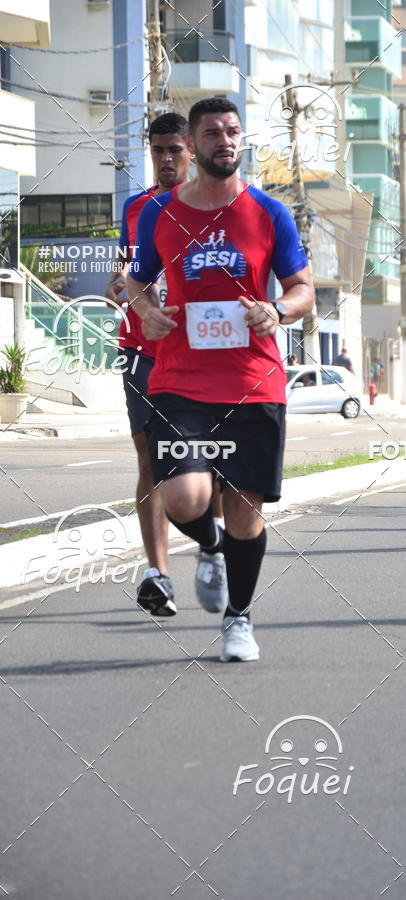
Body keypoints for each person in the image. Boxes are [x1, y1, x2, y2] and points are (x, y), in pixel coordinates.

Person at [127, 96, 315, 660]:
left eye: (233, 131)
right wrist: (145, 310)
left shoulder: (268, 214)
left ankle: (239, 619)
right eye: (212, 133)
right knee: (185, 497)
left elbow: (303, 288)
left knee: (244, 509)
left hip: (253, 381)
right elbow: (138, 281)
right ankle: (208, 546)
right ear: (193, 143)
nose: (225, 141)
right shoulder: (162, 213)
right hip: (180, 379)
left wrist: (278, 310)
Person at [105, 113, 194, 616]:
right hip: (140, 350)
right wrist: (119, 284)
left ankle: (214, 551)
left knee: (210, 462)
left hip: (198, 357)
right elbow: (122, 270)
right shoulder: (136, 207)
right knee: (150, 462)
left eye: (174, 150)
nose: (165, 159)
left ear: (191, 151)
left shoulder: (211, 207)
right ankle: (158, 574)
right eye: (157, 150)